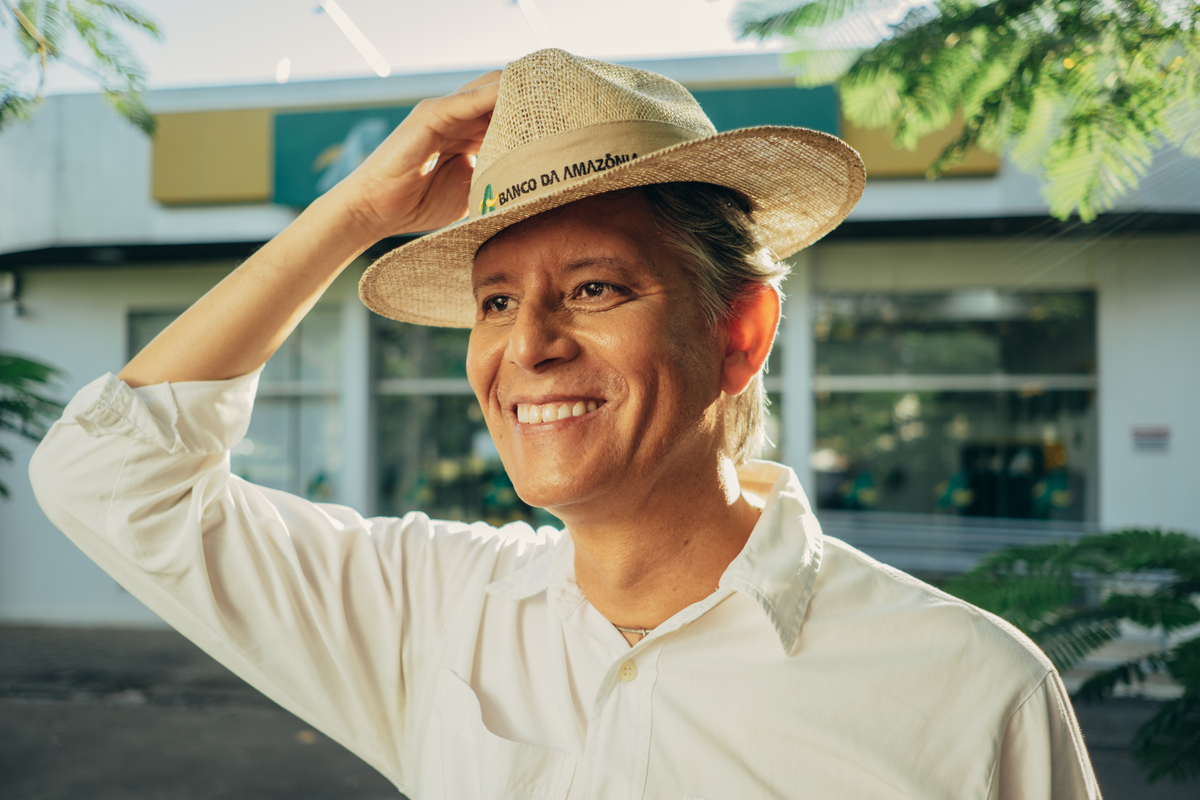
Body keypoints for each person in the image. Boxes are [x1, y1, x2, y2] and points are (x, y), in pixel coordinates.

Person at [30, 49, 1100, 799]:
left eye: (593, 288)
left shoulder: (970, 692)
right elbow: (108, 474)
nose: (527, 345)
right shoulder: (438, 611)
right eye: (496, 300)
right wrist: (353, 214)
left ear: (739, 331)